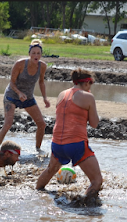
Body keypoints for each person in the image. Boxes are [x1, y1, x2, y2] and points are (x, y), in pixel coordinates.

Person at [36, 68, 103, 200]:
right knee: (97, 181)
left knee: (50, 171)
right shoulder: (88, 97)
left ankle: (37, 194)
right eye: (90, 84)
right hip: (76, 144)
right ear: (86, 83)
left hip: (57, 144)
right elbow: (94, 124)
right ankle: (86, 207)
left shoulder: (61, 94)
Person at [0, 39, 50, 152]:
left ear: (41, 55)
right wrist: (19, 93)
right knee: (8, 124)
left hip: (28, 97)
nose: (36, 55)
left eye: (38, 53)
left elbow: (41, 82)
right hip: (12, 96)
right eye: (33, 53)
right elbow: (11, 82)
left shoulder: (42, 66)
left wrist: (45, 98)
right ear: (29, 54)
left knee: (42, 124)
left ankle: (38, 150)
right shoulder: (20, 64)